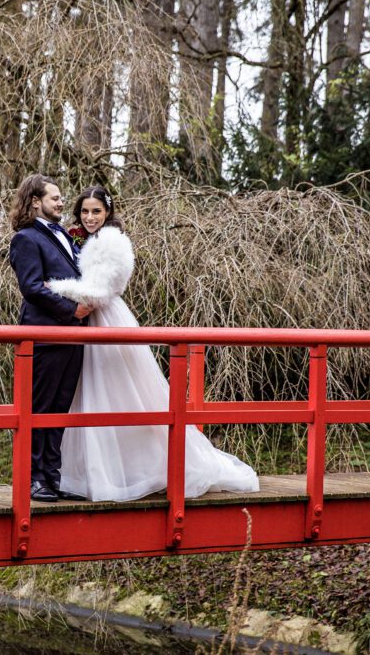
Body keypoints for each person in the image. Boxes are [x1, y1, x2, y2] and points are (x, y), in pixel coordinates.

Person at [47, 186, 260, 502]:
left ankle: (143, 469)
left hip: (104, 318)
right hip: (86, 320)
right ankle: (90, 471)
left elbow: (98, 292)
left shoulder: (112, 242)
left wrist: (54, 290)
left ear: (108, 214)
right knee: (86, 395)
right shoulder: (78, 240)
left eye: (96, 211)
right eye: (85, 211)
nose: (89, 217)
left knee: (120, 393)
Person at [8, 173, 92, 502]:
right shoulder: (26, 239)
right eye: (54, 197)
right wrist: (70, 311)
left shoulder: (64, 236)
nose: (61, 202)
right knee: (39, 407)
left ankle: (53, 477)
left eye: (59, 197)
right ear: (35, 201)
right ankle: (32, 478)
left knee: (60, 409)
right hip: (45, 334)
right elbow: (31, 286)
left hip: (74, 336)